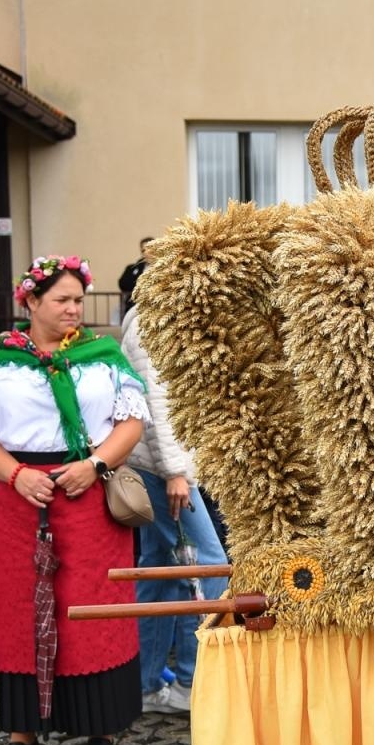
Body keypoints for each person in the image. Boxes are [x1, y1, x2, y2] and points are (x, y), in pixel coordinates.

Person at [0, 255, 148, 745]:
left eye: (78, 300)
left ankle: (101, 733)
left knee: (92, 607)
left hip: (87, 494)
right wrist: (16, 475)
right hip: (19, 501)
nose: (73, 310)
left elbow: (131, 422)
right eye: (61, 300)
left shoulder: (101, 356)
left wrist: (95, 464)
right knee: (19, 612)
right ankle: (22, 738)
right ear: (31, 303)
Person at [120, 304, 228, 713]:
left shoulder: (154, 313)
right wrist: (175, 471)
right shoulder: (154, 317)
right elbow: (156, 397)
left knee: (160, 575)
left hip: (154, 465)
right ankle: (191, 679)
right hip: (162, 469)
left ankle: (145, 684)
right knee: (208, 565)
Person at [118, 238, 155, 317]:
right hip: (136, 307)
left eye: (149, 249)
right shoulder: (133, 268)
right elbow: (123, 284)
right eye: (143, 250)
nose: (146, 253)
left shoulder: (164, 267)